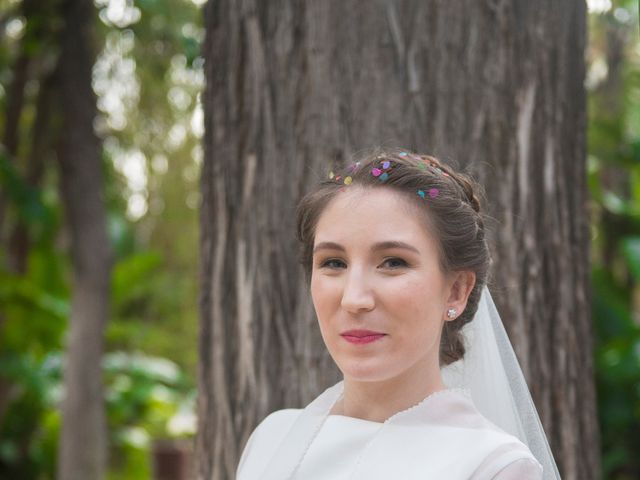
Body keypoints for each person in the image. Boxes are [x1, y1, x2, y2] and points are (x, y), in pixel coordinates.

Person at [235, 148, 561, 479]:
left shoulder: (494, 465)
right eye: (334, 263)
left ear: (456, 290)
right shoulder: (272, 438)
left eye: (394, 262)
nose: (354, 299)